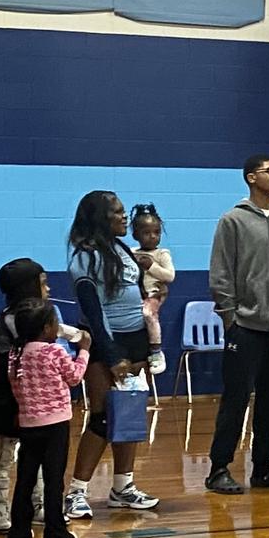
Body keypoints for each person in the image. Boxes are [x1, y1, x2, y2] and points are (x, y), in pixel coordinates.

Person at [205, 155, 269, 494]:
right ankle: (218, 469)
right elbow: (221, 272)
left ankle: (262, 468)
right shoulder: (232, 220)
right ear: (251, 177)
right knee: (236, 400)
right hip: (244, 327)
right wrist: (231, 319)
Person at [65, 191, 162, 518]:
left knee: (129, 414)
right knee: (103, 417)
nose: (124, 217)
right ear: (99, 218)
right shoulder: (85, 256)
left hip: (135, 342)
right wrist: (111, 353)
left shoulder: (121, 248)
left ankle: (123, 488)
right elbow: (93, 311)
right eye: (117, 212)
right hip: (106, 344)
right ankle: (76, 492)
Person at [6, 299, 90, 538]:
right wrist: (84, 351)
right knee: (54, 480)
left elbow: (14, 385)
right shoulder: (54, 352)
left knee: (25, 477)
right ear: (46, 328)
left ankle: (19, 531)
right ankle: (56, 533)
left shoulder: (16, 354)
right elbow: (74, 377)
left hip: (28, 424)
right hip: (55, 425)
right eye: (55, 323)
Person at [0, 259, 53, 534]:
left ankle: (37, 505)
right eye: (43, 283)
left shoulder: (42, 323)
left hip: (34, 405)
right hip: (7, 404)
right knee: (3, 459)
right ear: (28, 288)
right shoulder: (3, 327)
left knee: (36, 455)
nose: (48, 289)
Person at [131, 203, 177, 376]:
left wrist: (151, 266)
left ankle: (156, 351)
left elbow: (170, 276)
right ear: (136, 235)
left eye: (156, 232)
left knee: (148, 314)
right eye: (146, 233)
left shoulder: (162, 254)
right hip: (135, 294)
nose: (152, 236)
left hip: (154, 293)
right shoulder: (132, 252)